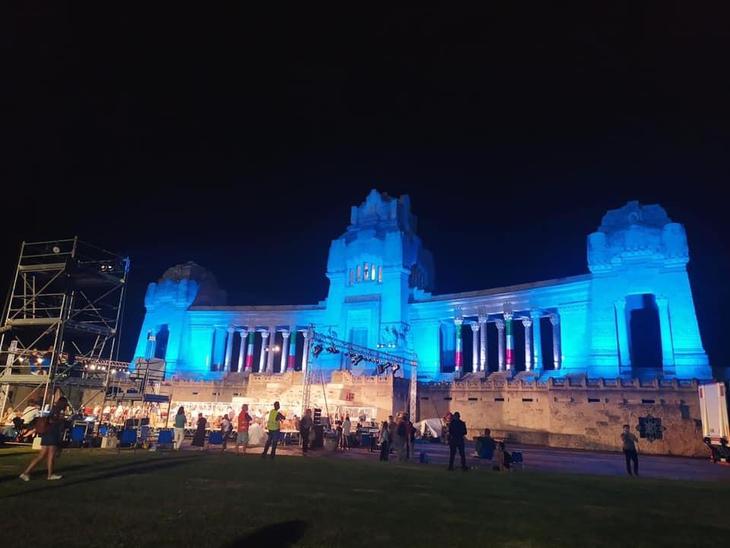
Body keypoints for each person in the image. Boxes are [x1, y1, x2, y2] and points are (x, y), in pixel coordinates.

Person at [19, 392, 69, 481]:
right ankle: (50, 475)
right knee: (51, 456)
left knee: (41, 456)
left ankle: (26, 472)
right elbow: (58, 424)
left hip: (46, 434)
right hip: (53, 434)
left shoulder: (53, 409)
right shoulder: (59, 412)